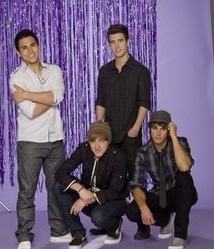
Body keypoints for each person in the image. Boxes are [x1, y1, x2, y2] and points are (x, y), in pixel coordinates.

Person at [9, 29, 70, 249]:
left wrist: (26, 94)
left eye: (32, 45)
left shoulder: (54, 70)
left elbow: (59, 95)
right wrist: (49, 98)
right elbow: (31, 112)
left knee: (56, 188)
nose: (30, 50)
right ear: (19, 52)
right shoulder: (17, 77)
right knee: (27, 190)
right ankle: (24, 235)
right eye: (24, 47)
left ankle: (58, 230)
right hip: (30, 142)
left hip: (55, 139)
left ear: (39, 46)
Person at [126, 110, 198, 249]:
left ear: (169, 129)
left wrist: (174, 137)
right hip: (161, 195)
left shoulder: (180, 142)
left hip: (181, 194)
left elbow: (184, 167)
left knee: (184, 177)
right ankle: (165, 219)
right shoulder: (143, 152)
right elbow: (136, 184)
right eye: (154, 128)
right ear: (150, 130)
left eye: (162, 128)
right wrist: (143, 207)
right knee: (132, 210)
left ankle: (180, 235)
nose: (158, 133)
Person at [53, 121, 128, 249]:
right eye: (93, 141)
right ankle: (78, 234)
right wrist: (80, 189)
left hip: (114, 201)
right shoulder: (84, 149)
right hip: (88, 196)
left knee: (98, 217)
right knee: (58, 187)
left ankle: (114, 225)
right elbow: (61, 172)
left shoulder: (118, 157)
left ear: (108, 141)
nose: (97, 146)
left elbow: (115, 191)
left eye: (102, 140)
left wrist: (86, 199)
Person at [95, 23, 151, 180]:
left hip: (130, 134)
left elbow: (144, 102)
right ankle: (118, 204)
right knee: (111, 177)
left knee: (135, 176)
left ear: (128, 42)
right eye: (112, 42)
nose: (117, 46)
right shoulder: (104, 71)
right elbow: (101, 100)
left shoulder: (140, 71)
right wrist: (99, 125)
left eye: (120, 40)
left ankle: (139, 204)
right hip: (110, 134)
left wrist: (135, 128)